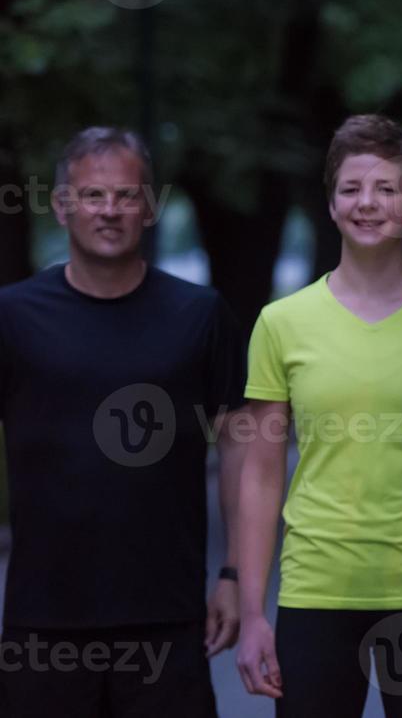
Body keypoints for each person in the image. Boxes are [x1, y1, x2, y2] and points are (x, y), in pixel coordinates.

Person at [233, 115, 402, 717]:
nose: (366, 203)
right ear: (330, 203)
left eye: (386, 188)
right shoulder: (281, 322)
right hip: (315, 590)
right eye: (351, 189)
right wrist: (250, 616)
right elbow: (260, 474)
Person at [0, 127, 245, 716]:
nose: (109, 210)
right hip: (42, 620)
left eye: (127, 195)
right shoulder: (11, 317)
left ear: (151, 207)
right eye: (91, 196)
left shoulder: (200, 315)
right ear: (62, 207)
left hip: (167, 616)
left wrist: (234, 575)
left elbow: (241, 447)